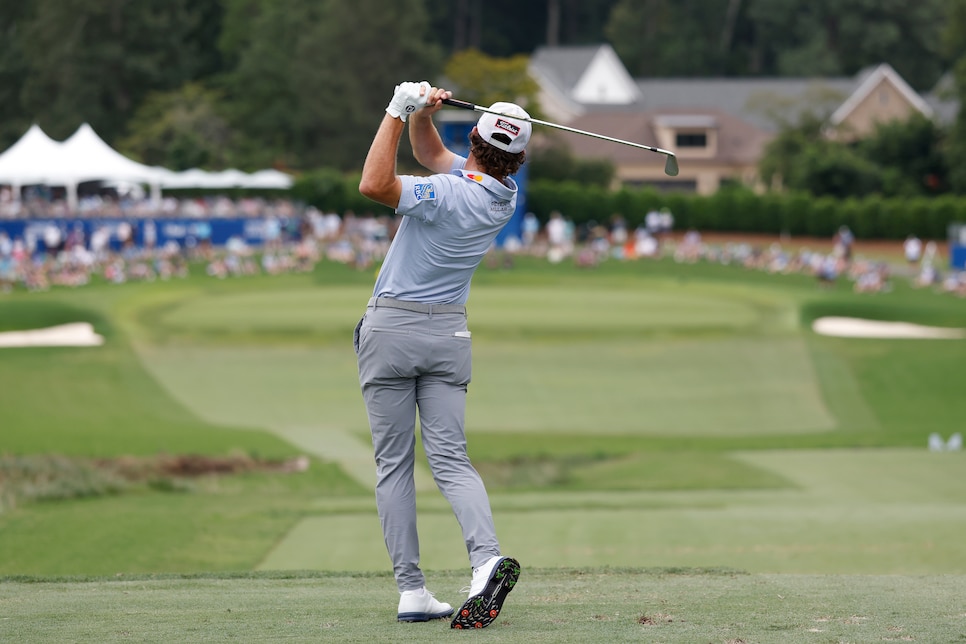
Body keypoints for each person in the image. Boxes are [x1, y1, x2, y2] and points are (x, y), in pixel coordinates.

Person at [355, 81, 523, 629]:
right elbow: (434, 157)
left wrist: (396, 111)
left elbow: (374, 184)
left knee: (394, 465)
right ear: (516, 159)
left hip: (392, 329)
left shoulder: (447, 193)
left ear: (473, 137)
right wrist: (426, 114)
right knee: (451, 458)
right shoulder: (501, 195)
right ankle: (485, 562)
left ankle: (411, 589)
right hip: (449, 336)